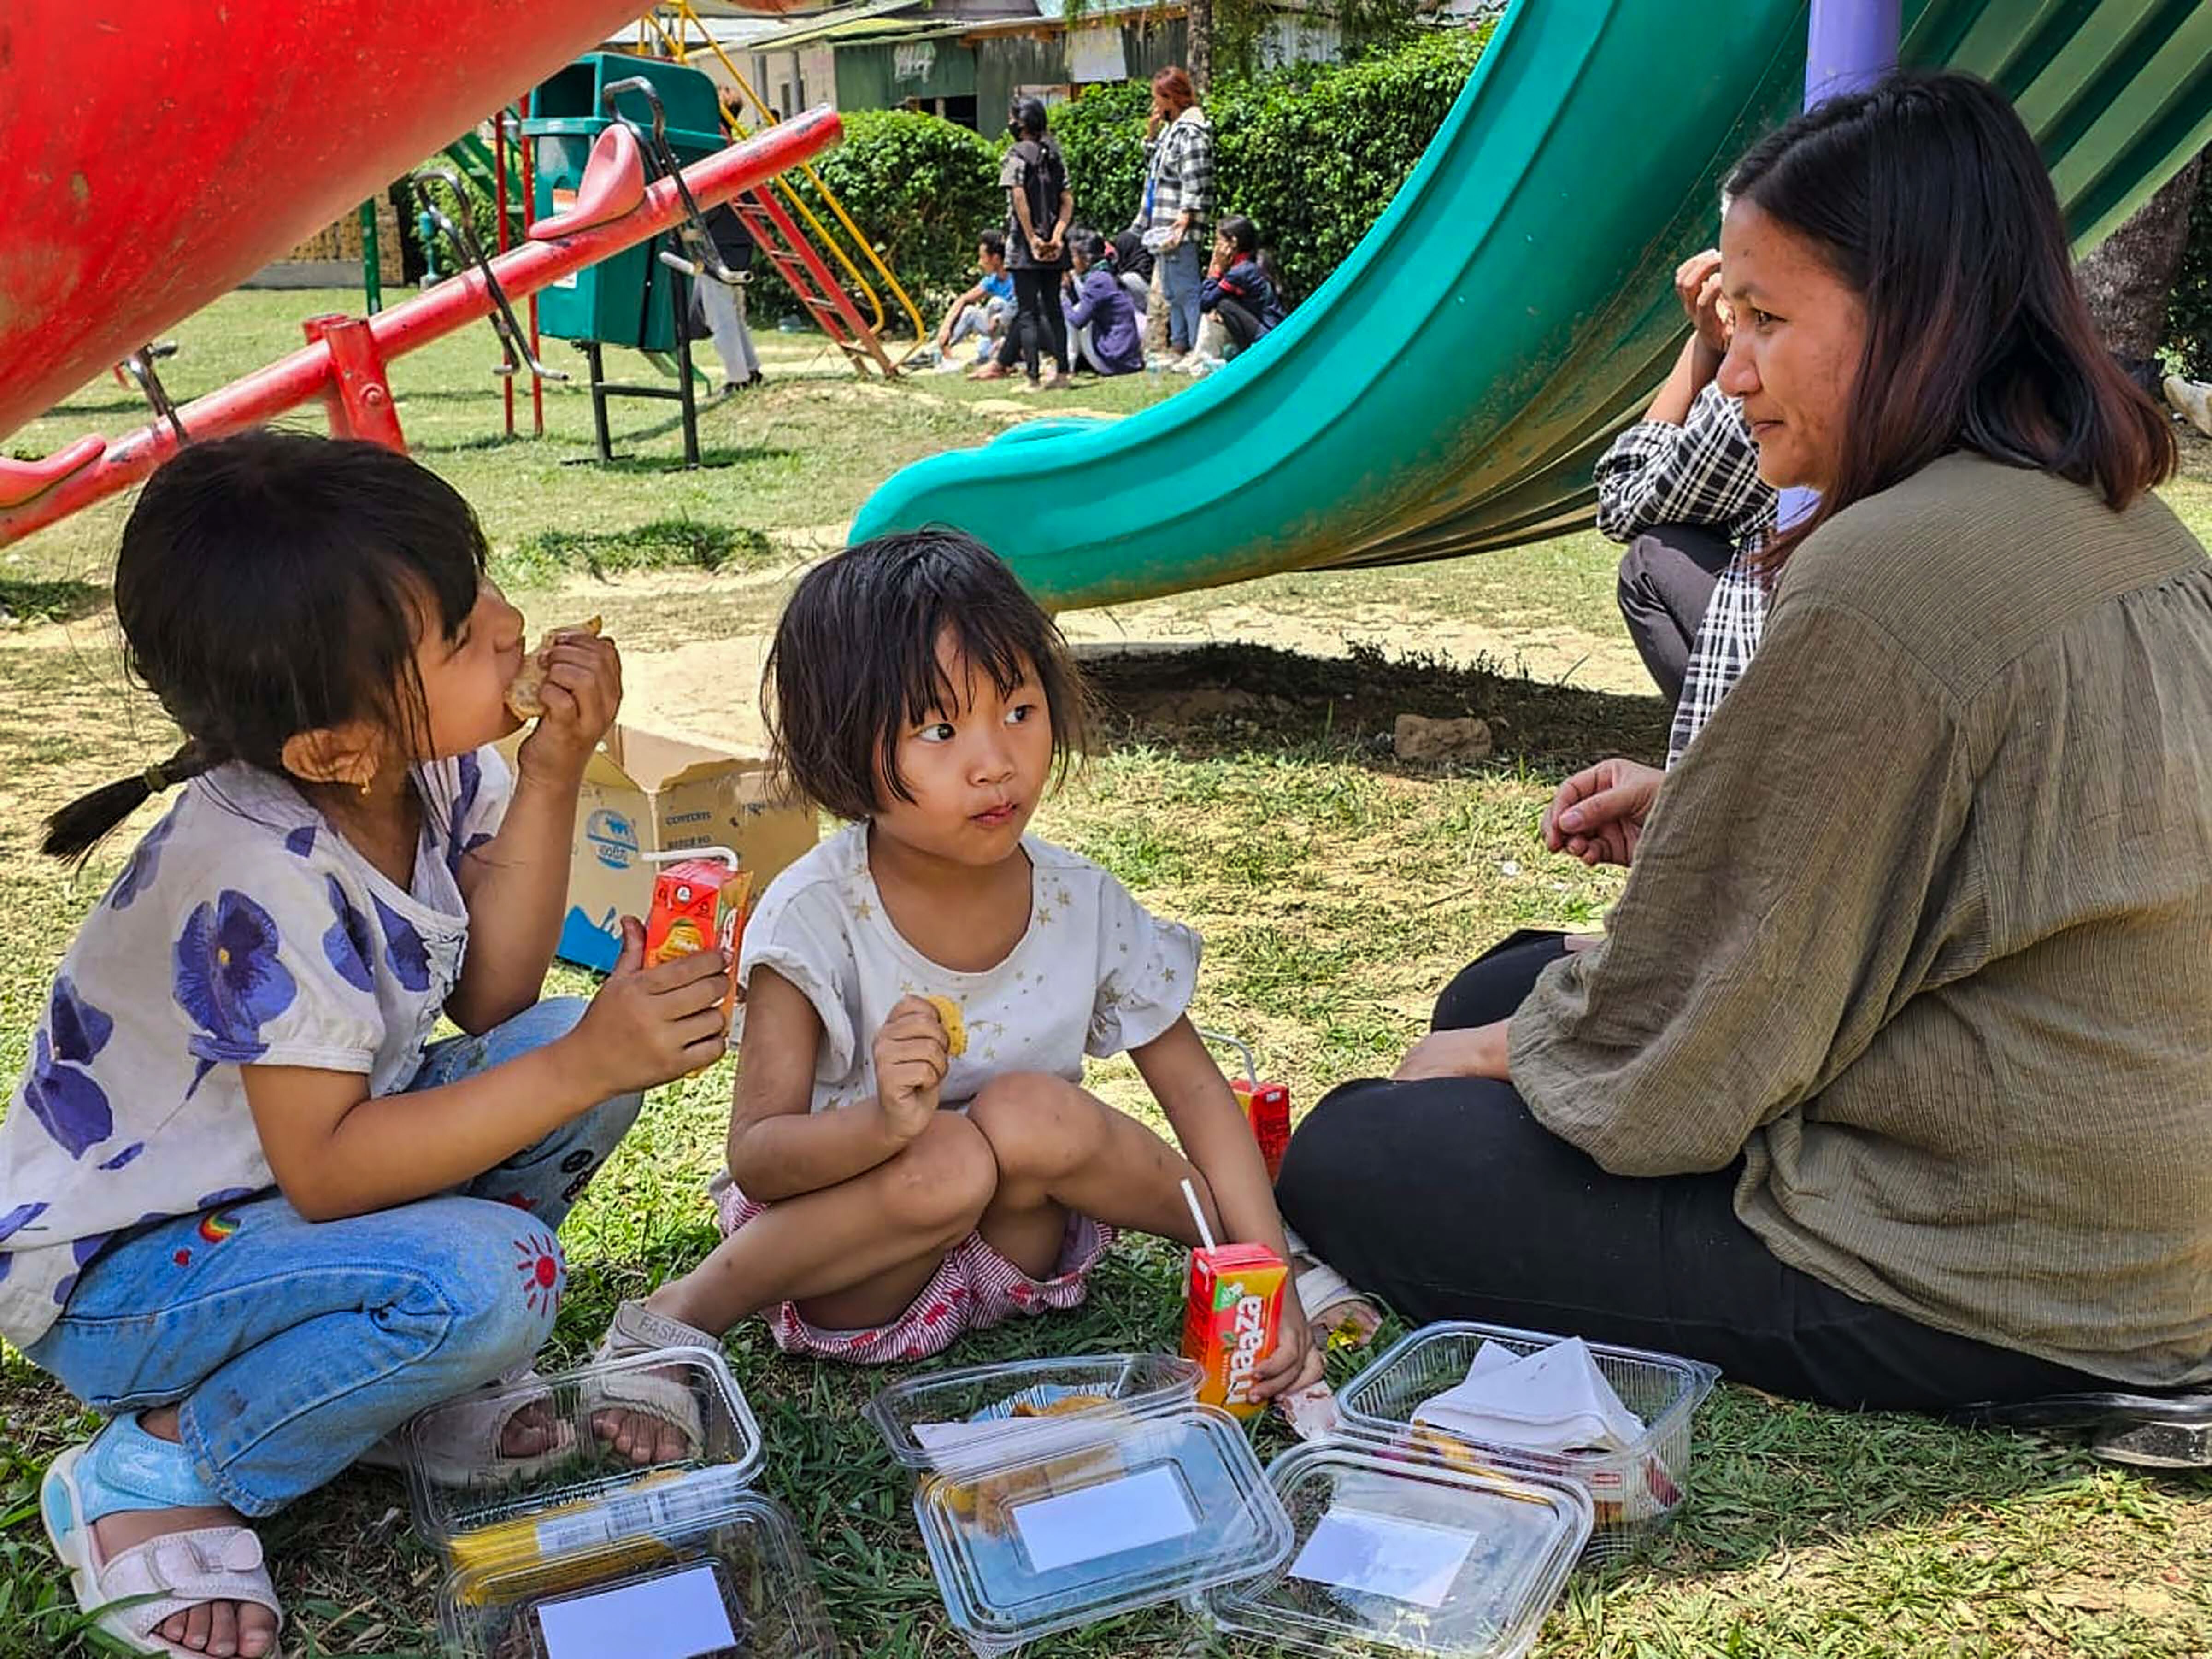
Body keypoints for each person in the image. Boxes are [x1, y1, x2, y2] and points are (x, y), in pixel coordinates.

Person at [1277, 72, 2212, 1415]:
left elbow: (1701, 1049)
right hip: (2127, 1209)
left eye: (1767, 323)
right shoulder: (2106, 513)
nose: (1729, 371)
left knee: (1356, 1149)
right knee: (1505, 982)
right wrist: (1683, 826)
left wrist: (1509, 1064)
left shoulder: (1892, 564)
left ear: (1917, 320)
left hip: (2005, 1275)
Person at [3, 433, 733, 1658]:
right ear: (333, 748)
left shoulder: (419, 769)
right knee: (494, 1276)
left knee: (561, 1040)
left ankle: (383, 1385)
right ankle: (152, 1470)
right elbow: (331, 1173)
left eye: (482, 586)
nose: (507, 625)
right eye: (460, 631)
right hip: (128, 1280)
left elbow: (498, 998)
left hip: (258, 1216)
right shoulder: (256, 877)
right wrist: (582, 1064)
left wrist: (553, 765)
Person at [592, 530, 1322, 1402]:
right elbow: (760, 1158)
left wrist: (1267, 1273)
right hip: (864, 1261)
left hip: (1019, 1255)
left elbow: (1198, 1093)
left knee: (1028, 1113)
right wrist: (886, 1126)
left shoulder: (1077, 899)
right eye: (939, 730)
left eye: (1019, 710)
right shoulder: (816, 915)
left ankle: (1250, 1251)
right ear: (844, 753)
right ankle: (683, 1314)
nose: (995, 762)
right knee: (948, 1155)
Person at [1595, 249, 1780, 711]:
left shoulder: (1766, 389)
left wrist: (1705, 345)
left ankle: (1726, 759)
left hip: (1817, 674)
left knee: (1650, 558)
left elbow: (1620, 503)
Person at [974, 99, 1073, 392]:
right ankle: (1063, 375)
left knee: (1028, 312)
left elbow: (1019, 197)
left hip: (1024, 245)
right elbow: (1067, 199)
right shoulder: (1056, 155)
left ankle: (1033, 377)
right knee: (1055, 309)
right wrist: (1057, 235)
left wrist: (1031, 238)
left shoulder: (1015, 156)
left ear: (1022, 123)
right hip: (1055, 247)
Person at [1130, 67, 1215, 363]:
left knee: (1187, 289)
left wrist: (1186, 217)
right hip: (1163, 225)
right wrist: (1151, 136)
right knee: (1171, 290)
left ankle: (1195, 346)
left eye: (1159, 98)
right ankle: (1179, 345)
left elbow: (1195, 176)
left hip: (1179, 226)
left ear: (1172, 97)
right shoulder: (1172, 130)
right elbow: (1157, 170)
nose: (1156, 105)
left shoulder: (1191, 131)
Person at [1193, 214, 1289, 364]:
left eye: (1219, 240)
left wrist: (1215, 271)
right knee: (1223, 301)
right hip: (1275, 329)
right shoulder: (1255, 261)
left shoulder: (1240, 272)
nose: (1216, 246)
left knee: (1223, 303)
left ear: (1234, 242)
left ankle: (1246, 354)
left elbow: (1205, 303)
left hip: (1266, 336)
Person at [1063, 229, 1143, 377]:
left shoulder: (1096, 281)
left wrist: (1063, 301)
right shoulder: (1105, 274)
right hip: (1126, 357)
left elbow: (1078, 321)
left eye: (1073, 256)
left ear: (1086, 259)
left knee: (1075, 312)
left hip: (1113, 361)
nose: (1071, 262)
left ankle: (1068, 366)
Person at [933, 231, 1014, 371]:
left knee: (997, 303)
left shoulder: (1018, 278)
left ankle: (1003, 355)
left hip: (1013, 332)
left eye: (983, 258)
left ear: (995, 258)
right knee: (970, 311)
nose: (980, 263)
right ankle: (939, 350)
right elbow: (963, 299)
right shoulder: (993, 280)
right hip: (994, 331)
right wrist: (945, 328)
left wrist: (1000, 317)